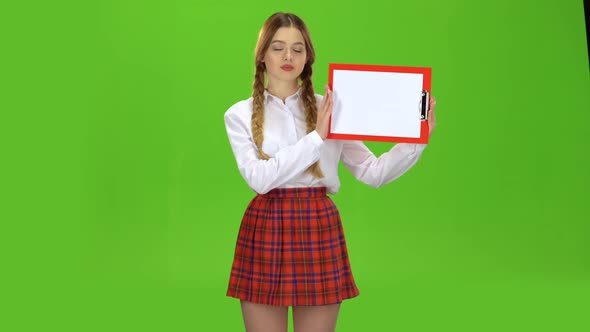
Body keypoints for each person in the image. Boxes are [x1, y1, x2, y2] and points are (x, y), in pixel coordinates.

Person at [223, 12, 437, 332]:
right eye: (278, 47)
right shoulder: (238, 114)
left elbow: (372, 172)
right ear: (262, 55)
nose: (288, 56)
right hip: (266, 223)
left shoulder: (332, 108)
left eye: (298, 49)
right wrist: (317, 137)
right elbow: (259, 179)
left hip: (318, 224)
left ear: (308, 57)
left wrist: (416, 141)